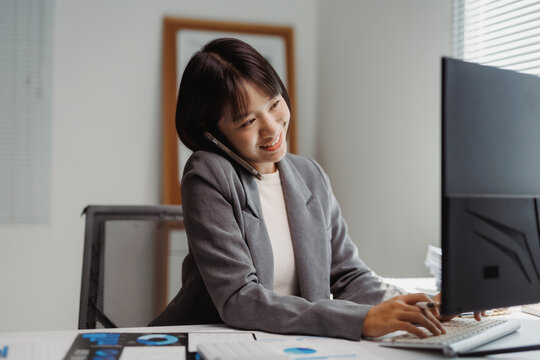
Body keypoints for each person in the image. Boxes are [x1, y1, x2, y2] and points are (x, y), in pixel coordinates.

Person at [150, 37, 448, 340]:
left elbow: (348, 276)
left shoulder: (309, 174)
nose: (271, 128)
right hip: (211, 342)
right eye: (248, 121)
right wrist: (360, 320)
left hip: (292, 344)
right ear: (212, 134)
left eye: (274, 103)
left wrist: (424, 308)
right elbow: (239, 299)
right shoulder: (209, 174)